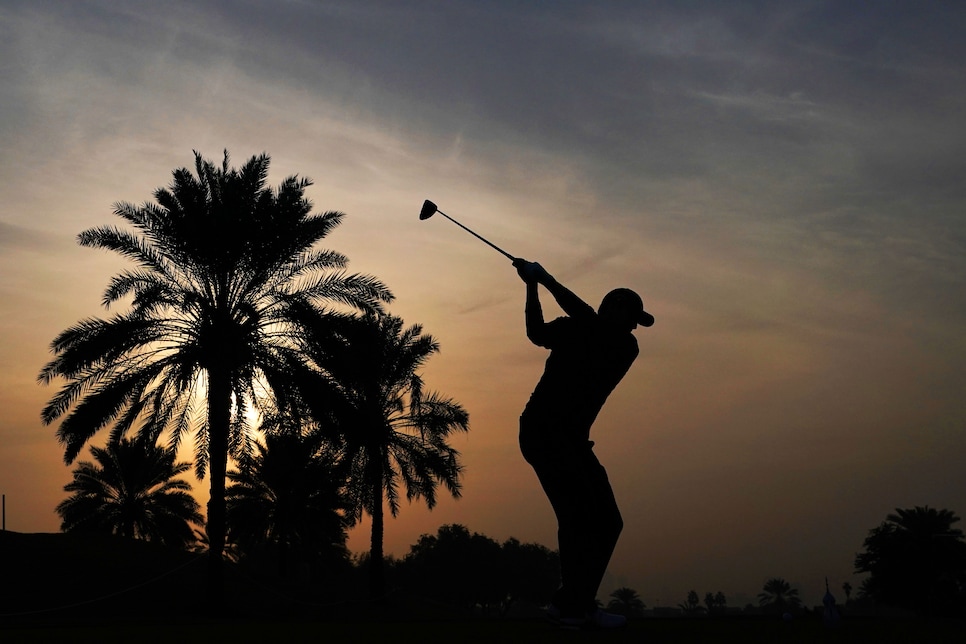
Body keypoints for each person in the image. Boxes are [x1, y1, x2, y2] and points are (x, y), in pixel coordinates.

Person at [513, 258, 654, 630]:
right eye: (630, 317)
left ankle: (573, 603)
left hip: (570, 440)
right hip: (543, 433)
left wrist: (543, 279)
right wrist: (532, 286)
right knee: (579, 517)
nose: (633, 327)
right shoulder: (579, 329)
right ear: (614, 311)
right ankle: (575, 607)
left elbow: (589, 322)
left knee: (607, 521)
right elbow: (536, 332)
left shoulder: (624, 347)